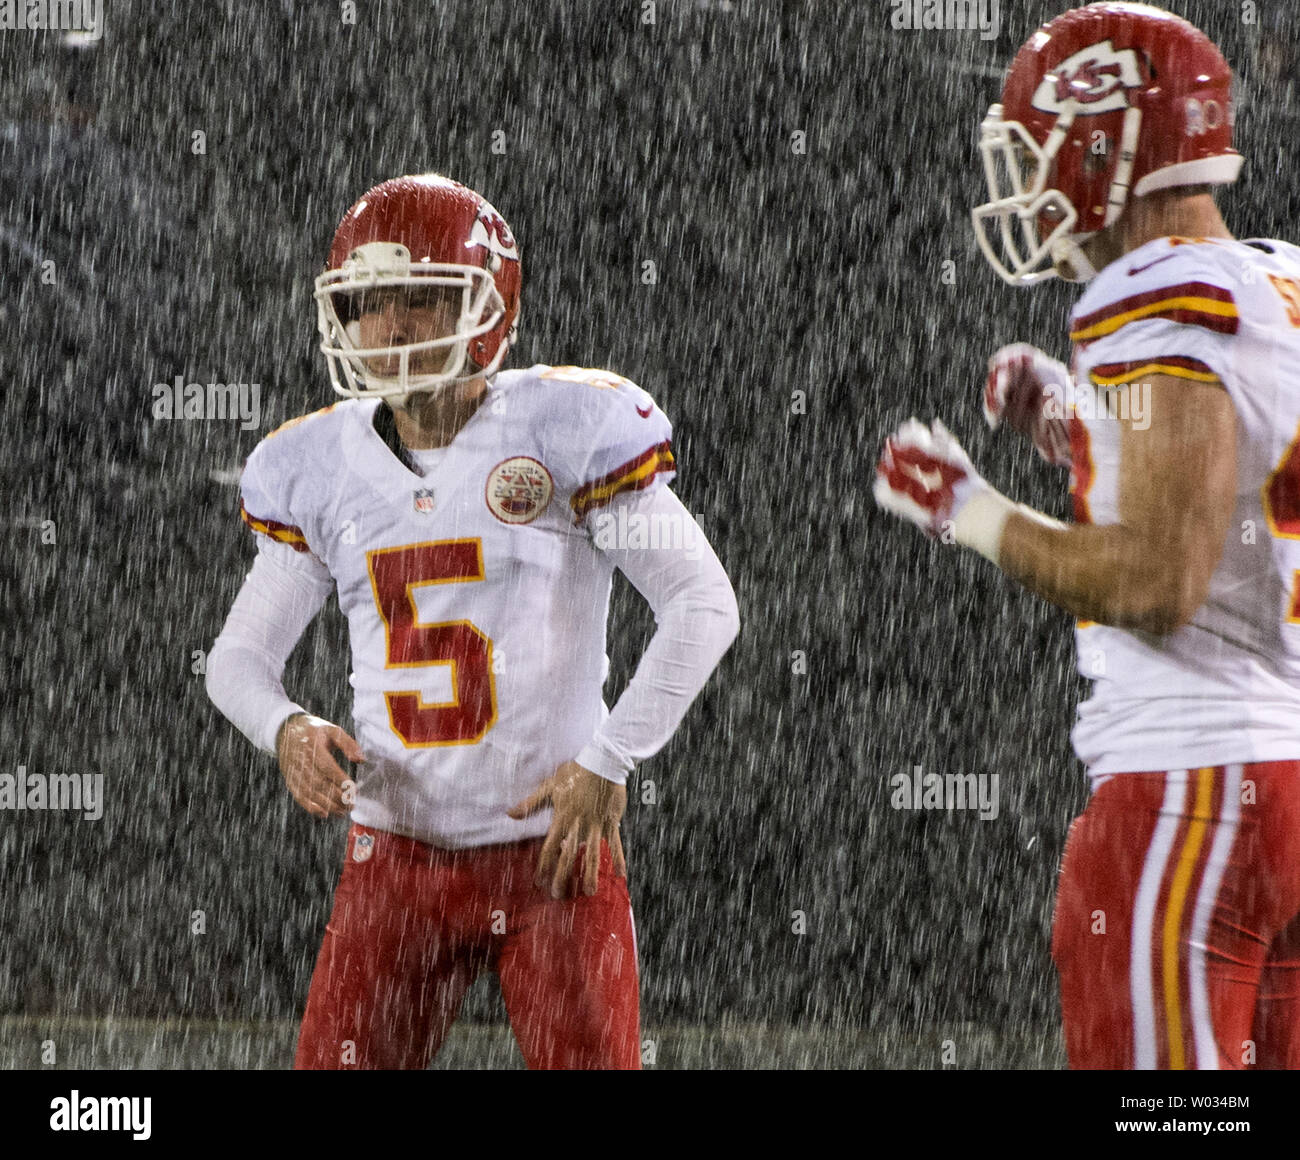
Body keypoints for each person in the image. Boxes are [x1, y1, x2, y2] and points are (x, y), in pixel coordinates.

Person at [205, 173, 740, 1070]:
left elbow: (703, 602)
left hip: (551, 857)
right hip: (394, 859)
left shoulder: (566, 424)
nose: (394, 327)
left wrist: (611, 759)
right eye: (370, 303)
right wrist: (284, 726)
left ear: (488, 307)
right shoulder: (316, 463)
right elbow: (239, 658)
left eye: (423, 297)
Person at [874, 2, 1300, 1070]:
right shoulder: (1273, 273)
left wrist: (965, 510)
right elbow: (1236, 477)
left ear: (1105, 146)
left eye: (1035, 147)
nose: (1024, 181)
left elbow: (1158, 579)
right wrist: (1075, 421)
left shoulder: (1155, 292)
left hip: (1191, 788)